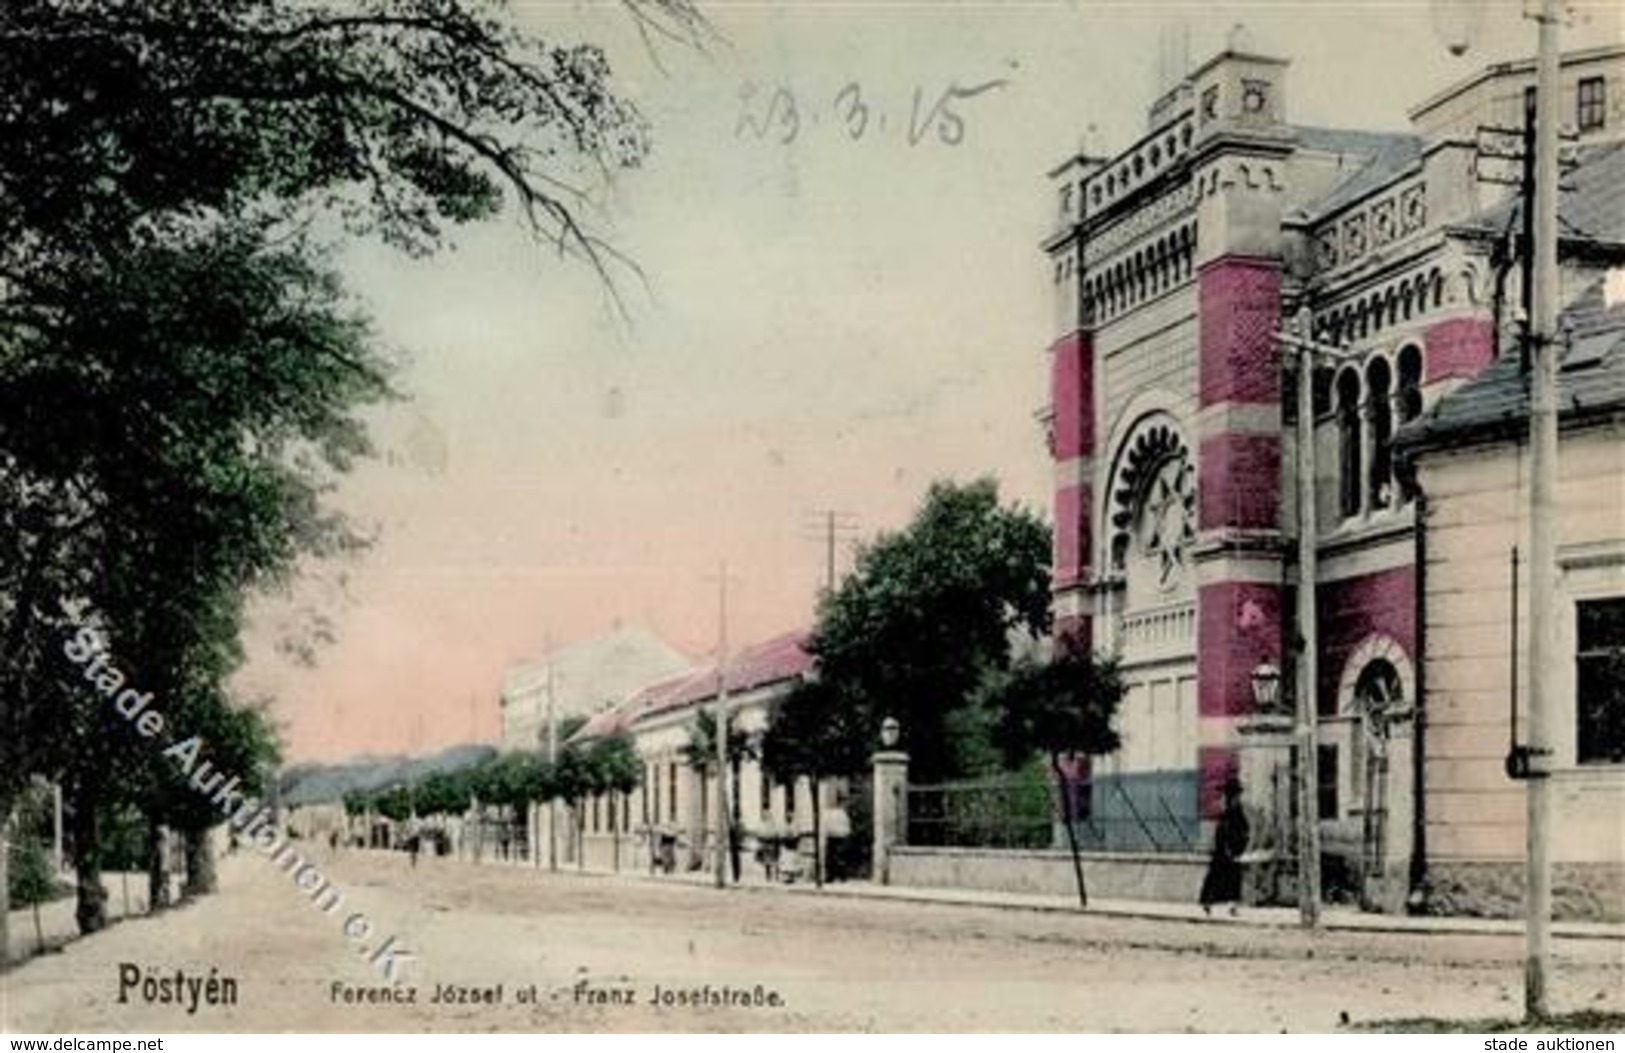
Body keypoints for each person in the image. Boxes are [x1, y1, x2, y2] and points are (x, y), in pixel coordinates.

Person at [1200, 776, 1250, 916]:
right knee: (1217, 878)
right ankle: (1208, 903)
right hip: (1222, 851)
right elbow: (1222, 832)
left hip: (1231, 852)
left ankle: (1231, 906)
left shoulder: (1236, 813)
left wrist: (1238, 848)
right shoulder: (1227, 812)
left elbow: (1244, 832)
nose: (1232, 797)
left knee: (1232, 879)